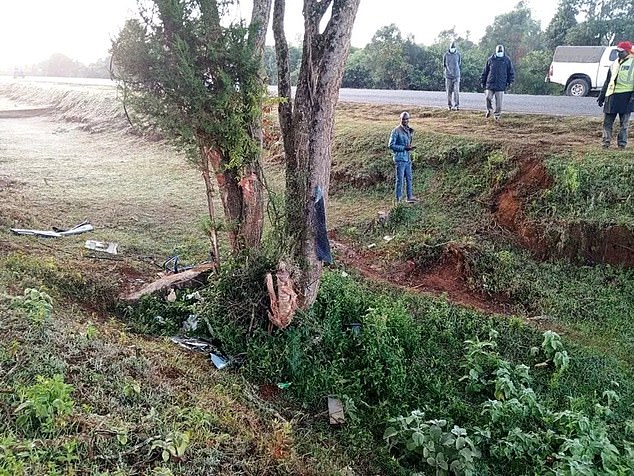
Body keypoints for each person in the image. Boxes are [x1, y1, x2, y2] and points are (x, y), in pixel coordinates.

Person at [597, 41, 634, 149]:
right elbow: (608, 81)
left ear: (627, 52)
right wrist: (602, 96)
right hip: (612, 96)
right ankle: (605, 143)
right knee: (607, 123)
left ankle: (622, 145)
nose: (619, 53)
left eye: (621, 52)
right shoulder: (614, 64)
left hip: (627, 97)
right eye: (618, 51)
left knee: (624, 124)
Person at [388, 111, 417, 203]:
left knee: (409, 178)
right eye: (403, 119)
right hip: (400, 159)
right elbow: (391, 145)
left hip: (407, 157)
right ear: (400, 119)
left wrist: (409, 148)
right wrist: (404, 148)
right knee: (400, 180)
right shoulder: (396, 131)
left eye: (407, 119)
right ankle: (398, 199)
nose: (405, 120)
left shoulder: (408, 130)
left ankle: (409, 196)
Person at [481, 44, 515, 121]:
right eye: (498, 52)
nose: (499, 53)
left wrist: (510, 81)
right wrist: (483, 81)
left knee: (499, 101)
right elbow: (485, 71)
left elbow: (510, 72)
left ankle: (497, 115)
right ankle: (489, 110)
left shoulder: (507, 60)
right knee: (488, 97)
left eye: (501, 52)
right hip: (490, 83)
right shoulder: (490, 60)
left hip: (501, 84)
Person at [443, 41, 461, 111]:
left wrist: (454, 71)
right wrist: (449, 71)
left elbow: (459, 63)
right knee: (449, 92)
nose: (452, 49)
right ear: (449, 48)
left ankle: (457, 105)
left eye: (453, 48)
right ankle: (449, 105)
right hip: (448, 76)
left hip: (456, 76)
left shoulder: (458, 54)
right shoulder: (446, 55)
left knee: (456, 91)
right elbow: (444, 64)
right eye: (451, 48)